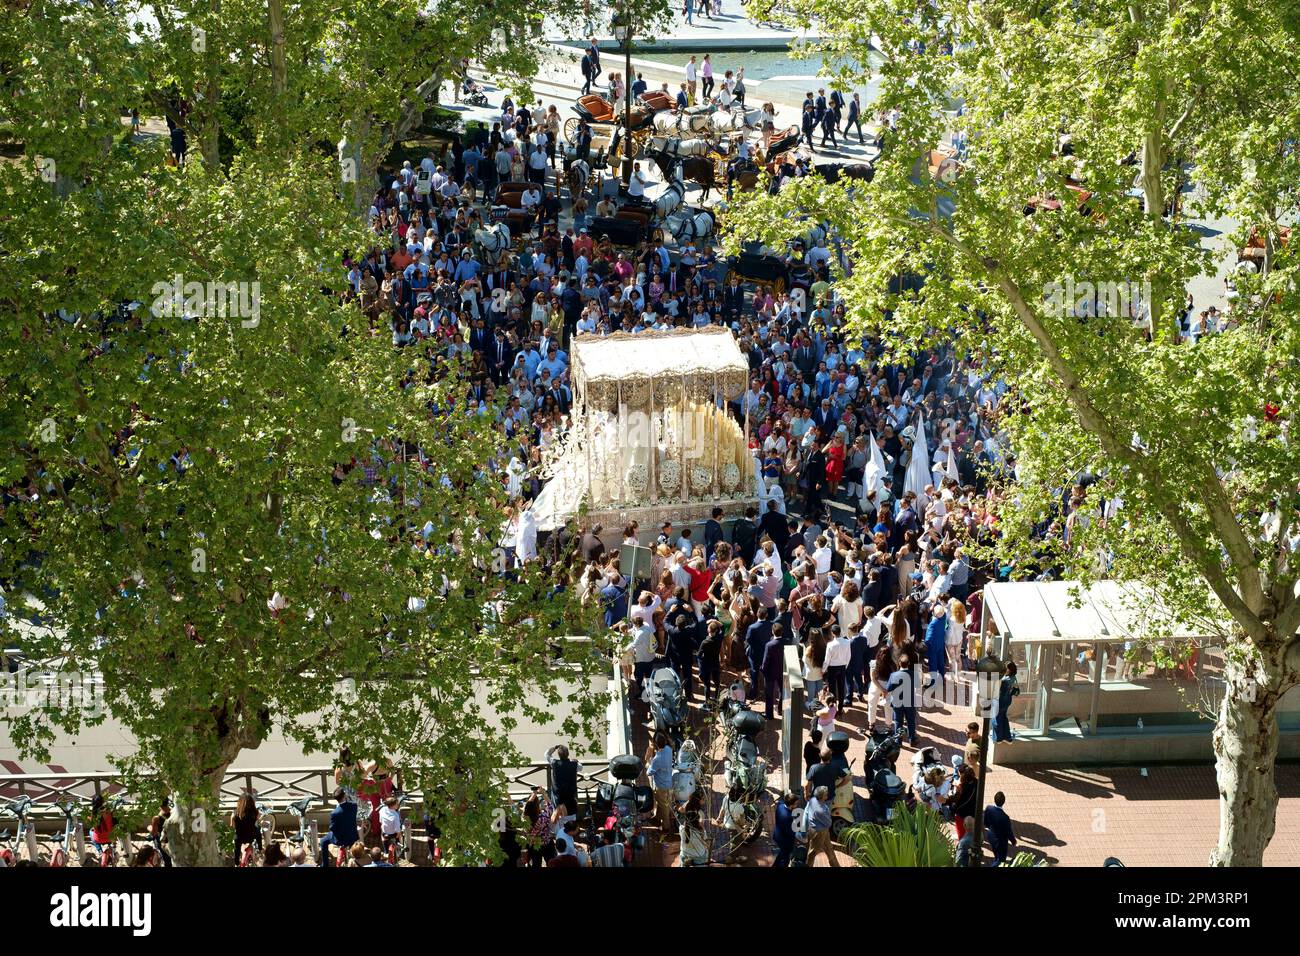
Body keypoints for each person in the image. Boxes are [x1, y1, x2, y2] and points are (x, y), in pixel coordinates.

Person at [319, 788, 359, 866]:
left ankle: (325, 865)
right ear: (344, 796)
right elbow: (349, 806)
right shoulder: (354, 806)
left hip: (340, 839)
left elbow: (332, 828)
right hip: (352, 836)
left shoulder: (334, 813)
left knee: (323, 841)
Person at [646, 733, 675, 838]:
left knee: (664, 805)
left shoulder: (657, 759)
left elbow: (649, 772)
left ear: (656, 745)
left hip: (661, 786)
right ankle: (657, 818)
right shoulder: (669, 749)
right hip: (669, 782)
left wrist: (650, 762)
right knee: (661, 802)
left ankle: (666, 827)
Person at [803, 786, 839, 866]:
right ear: (822, 797)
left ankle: (835, 865)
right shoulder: (821, 810)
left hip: (816, 829)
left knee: (829, 849)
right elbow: (828, 823)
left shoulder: (812, 801)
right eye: (826, 795)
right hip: (819, 832)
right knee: (813, 852)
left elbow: (806, 813)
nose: (827, 796)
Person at [984, 791, 1018, 865]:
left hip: (991, 836)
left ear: (994, 799)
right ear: (1004, 802)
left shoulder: (988, 808)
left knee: (996, 854)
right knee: (1000, 860)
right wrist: (1013, 841)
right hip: (1000, 842)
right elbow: (1008, 832)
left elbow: (985, 822)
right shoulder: (1005, 817)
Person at [994, 660, 1019, 742]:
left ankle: (998, 737)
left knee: (997, 719)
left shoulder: (1005, 679)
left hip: (1001, 701)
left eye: (1006, 668)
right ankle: (1007, 737)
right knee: (1003, 718)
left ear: (1010, 669)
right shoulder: (1013, 678)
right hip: (1007, 701)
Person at [772, 792, 799, 867]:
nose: (797, 805)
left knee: (781, 854)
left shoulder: (780, 806)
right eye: (796, 804)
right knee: (785, 859)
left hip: (777, 835)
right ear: (791, 805)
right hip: (785, 841)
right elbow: (790, 832)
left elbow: (780, 801)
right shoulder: (788, 817)